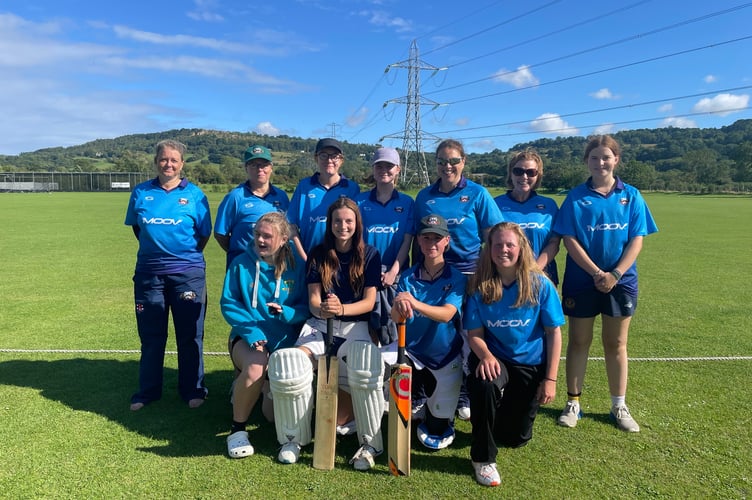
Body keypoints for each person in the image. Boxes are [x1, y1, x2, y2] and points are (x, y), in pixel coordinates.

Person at [267, 198, 384, 470]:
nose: (343, 226)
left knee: (365, 366)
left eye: (348, 221)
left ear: (357, 224)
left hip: (357, 327)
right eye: (337, 221)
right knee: (290, 364)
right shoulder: (318, 254)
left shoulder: (371, 255)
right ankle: (293, 439)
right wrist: (324, 310)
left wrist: (341, 308)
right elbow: (313, 302)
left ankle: (369, 444)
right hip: (321, 326)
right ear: (329, 224)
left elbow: (369, 303)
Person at [553, 135, 658, 433]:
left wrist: (615, 274)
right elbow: (569, 240)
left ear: (616, 160)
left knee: (616, 344)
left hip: (621, 282)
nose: (600, 163)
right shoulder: (575, 197)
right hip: (582, 280)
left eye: (606, 157)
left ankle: (618, 405)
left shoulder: (632, 196)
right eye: (594, 158)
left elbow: (637, 239)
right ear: (587, 161)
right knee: (578, 341)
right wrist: (597, 272)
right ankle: (573, 402)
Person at [464, 222, 564, 487]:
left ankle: (492, 415)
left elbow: (554, 333)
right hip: (495, 358)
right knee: (484, 384)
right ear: (489, 249)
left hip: (530, 363)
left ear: (521, 249)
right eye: (498, 245)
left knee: (515, 438)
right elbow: (474, 333)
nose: (503, 250)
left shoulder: (541, 285)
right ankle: (483, 459)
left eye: (510, 245)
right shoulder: (479, 285)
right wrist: (485, 356)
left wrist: (550, 380)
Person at [413, 138, 504, 421]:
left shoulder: (477, 193)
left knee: (469, 333)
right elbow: (419, 238)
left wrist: (490, 272)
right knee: (435, 331)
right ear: (435, 164)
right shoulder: (424, 196)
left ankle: (465, 390)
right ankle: (423, 388)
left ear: (463, 162)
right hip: (435, 272)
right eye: (442, 161)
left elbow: (494, 235)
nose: (447, 166)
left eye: (453, 161)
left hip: (470, 273)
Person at [124, 139, 212, 411]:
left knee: (189, 336)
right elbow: (138, 230)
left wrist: (181, 259)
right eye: (164, 159)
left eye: (174, 160)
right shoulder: (141, 193)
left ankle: (192, 389)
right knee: (151, 337)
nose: (169, 164)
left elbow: (203, 234)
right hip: (150, 275)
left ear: (182, 163)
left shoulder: (195, 195)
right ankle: (148, 391)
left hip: (187, 275)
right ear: (156, 161)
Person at [220, 212, 309, 459]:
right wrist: (251, 331)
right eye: (257, 234)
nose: (259, 239)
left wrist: (288, 313)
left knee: (270, 417)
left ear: (283, 239)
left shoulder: (297, 266)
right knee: (256, 366)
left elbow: (307, 307)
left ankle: (252, 389)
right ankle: (237, 429)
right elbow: (228, 303)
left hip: (284, 343)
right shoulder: (241, 262)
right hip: (248, 338)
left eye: (266, 236)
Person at [391, 214, 467, 450]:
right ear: (419, 242)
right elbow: (396, 319)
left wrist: (412, 302)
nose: (431, 244)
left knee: (436, 432)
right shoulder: (407, 277)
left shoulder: (457, 278)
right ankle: (420, 400)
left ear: (447, 242)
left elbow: (446, 314)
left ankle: (440, 408)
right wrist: (398, 307)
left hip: (445, 356)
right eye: (426, 238)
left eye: (437, 238)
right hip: (412, 355)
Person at [356, 147, 414, 346]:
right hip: (364, 271)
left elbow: (407, 240)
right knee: (368, 326)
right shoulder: (360, 201)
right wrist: (369, 269)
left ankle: (392, 372)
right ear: (373, 169)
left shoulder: (407, 203)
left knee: (394, 326)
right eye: (379, 165)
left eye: (389, 166)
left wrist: (392, 272)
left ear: (398, 169)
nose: (384, 170)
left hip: (395, 274)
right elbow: (356, 239)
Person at [214, 145, 290, 269]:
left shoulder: (281, 196)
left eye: (264, 165)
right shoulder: (235, 197)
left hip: (274, 266)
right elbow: (220, 234)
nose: (260, 169)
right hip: (243, 267)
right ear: (246, 168)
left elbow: (287, 231)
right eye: (254, 165)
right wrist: (241, 252)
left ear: (271, 168)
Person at [494, 149, 561, 285]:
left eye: (530, 172)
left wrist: (533, 270)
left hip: (542, 276)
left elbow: (554, 243)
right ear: (511, 174)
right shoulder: (495, 204)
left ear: (538, 176)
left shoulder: (549, 205)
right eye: (518, 171)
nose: (524, 177)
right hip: (504, 278)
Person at [287, 138, 360, 261]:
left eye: (334, 156)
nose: (329, 160)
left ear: (341, 160)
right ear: (316, 158)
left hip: (342, 261)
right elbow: (291, 227)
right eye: (323, 155)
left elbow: (357, 227)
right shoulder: (304, 186)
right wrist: (305, 259)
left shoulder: (352, 188)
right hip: (309, 258)